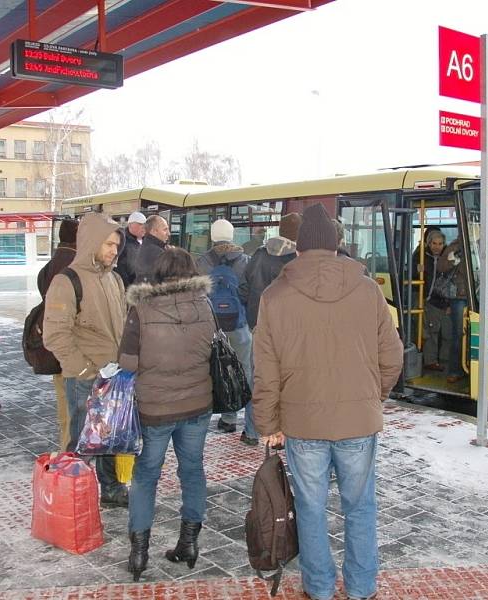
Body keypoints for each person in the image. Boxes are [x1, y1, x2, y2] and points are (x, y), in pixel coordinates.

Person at [253, 203, 403, 600]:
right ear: (338, 245)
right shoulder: (369, 290)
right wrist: (374, 395)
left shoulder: (275, 296)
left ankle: (318, 588)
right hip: (358, 420)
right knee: (361, 508)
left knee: (310, 509)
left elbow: (265, 370)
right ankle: (361, 588)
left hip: (303, 425)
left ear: (298, 249)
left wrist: (268, 424)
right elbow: (393, 355)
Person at [118, 247, 216, 582]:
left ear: (158, 273)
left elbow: (127, 363)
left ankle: (139, 552)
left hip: (154, 410)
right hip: (197, 406)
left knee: (146, 475)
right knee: (192, 471)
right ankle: (188, 543)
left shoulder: (140, 310)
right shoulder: (205, 306)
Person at [43, 213, 129, 508]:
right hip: (84, 376)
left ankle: (111, 488)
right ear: (91, 242)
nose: (113, 250)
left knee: (108, 436)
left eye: (116, 245)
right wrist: (83, 369)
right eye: (108, 244)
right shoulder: (67, 281)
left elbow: (122, 323)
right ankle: (68, 496)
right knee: (82, 439)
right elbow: (55, 334)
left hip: (113, 374)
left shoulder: (114, 279)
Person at [196, 219, 256, 443]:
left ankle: (225, 419)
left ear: (212, 236)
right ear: (232, 236)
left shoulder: (202, 262)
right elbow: (249, 292)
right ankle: (250, 429)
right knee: (246, 372)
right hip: (239, 327)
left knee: (211, 372)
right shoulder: (246, 261)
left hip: (211, 329)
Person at [37, 218, 79, 450]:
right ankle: (69, 450)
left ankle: (65, 444)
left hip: (54, 341)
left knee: (63, 400)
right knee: (74, 402)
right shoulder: (75, 265)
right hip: (72, 345)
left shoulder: (52, 263)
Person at [239, 212, 302, 331]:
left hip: (257, 324)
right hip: (287, 328)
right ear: (299, 234)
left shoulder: (259, 254)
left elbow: (243, 290)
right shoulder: (300, 260)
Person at [416, 230, 452, 371]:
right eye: (434, 243)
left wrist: (449, 304)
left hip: (446, 300)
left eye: (440, 244)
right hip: (430, 301)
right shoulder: (421, 256)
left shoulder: (448, 258)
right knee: (432, 332)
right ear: (428, 243)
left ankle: (445, 360)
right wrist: (417, 270)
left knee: (448, 333)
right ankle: (431, 361)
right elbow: (410, 274)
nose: (437, 247)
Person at [437, 237, 468, 384]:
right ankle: (455, 370)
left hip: (481, 295)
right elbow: (441, 267)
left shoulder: (487, 243)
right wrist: (453, 260)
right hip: (460, 296)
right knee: (459, 334)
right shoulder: (455, 247)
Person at [134, 214, 170, 284]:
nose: (169, 233)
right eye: (165, 229)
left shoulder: (146, 247)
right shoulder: (157, 252)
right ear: (153, 231)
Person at [115, 211, 147, 287]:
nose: (144, 228)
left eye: (145, 225)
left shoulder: (147, 241)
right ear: (130, 225)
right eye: (140, 224)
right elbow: (119, 268)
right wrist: (128, 288)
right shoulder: (122, 241)